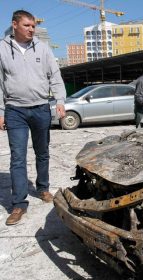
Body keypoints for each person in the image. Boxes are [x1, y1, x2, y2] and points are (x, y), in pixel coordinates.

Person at [0, 10, 66, 225]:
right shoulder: (2, 48)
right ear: (15, 25)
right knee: (17, 157)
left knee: (43, 152)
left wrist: (60, 101)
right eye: (27, 25)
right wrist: (1, 111)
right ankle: (19, 204)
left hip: (40, 108)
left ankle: (43, 188)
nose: (31, 29)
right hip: (15, 110)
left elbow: (54, 75)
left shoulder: (43, 48)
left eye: (34, 26)